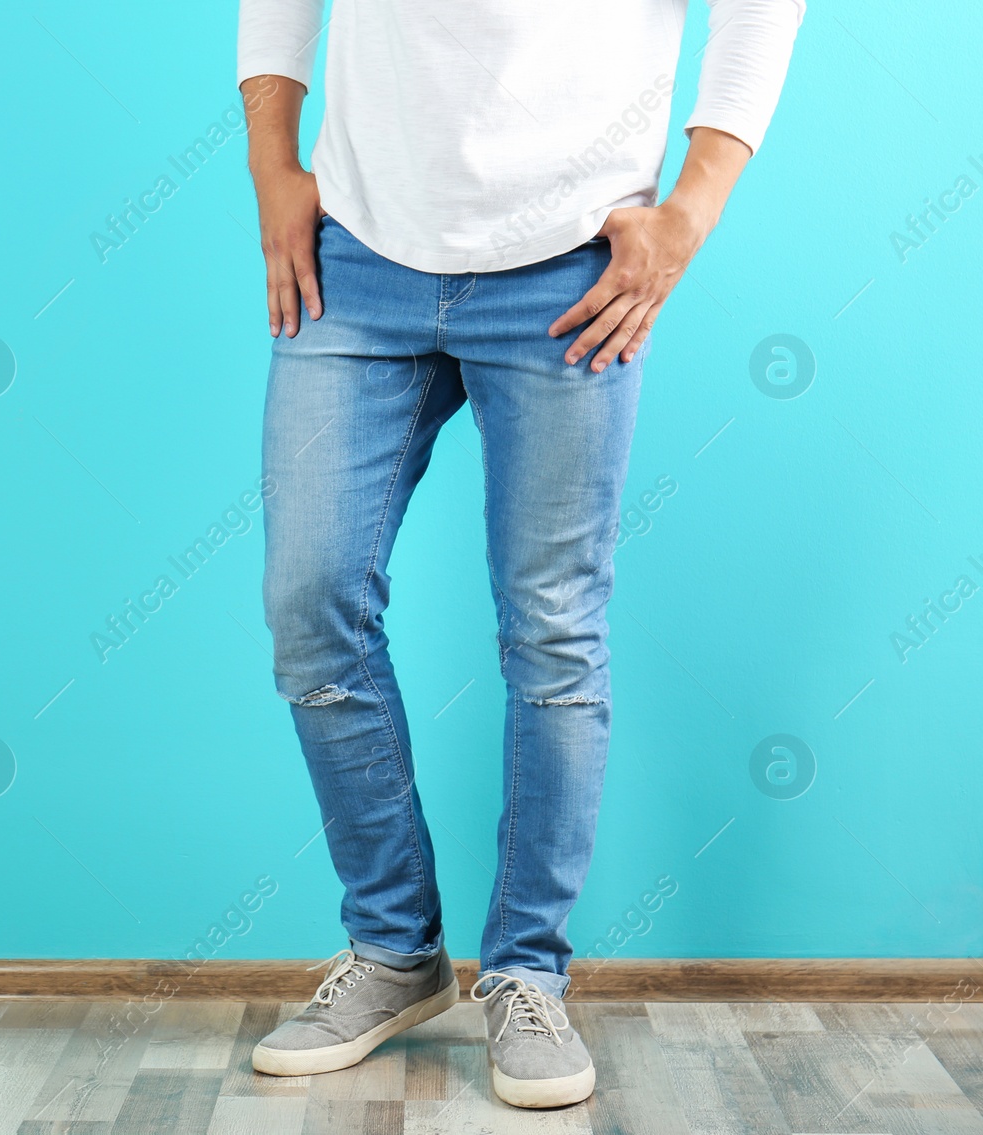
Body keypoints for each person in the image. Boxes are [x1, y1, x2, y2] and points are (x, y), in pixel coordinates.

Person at [241, 0, 802, 1108]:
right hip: (358, 253)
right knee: (308, 599)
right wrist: (272, 162)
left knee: (550, 631)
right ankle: (395, 949)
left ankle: (526, 969)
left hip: (570, 262)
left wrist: (689, 209)